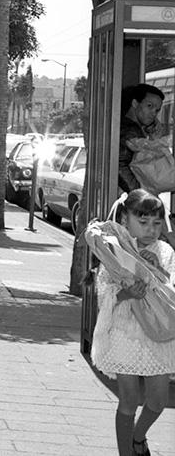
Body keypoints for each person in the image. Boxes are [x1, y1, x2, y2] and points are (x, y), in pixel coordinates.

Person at [91, 189, 175, 456]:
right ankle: (125, 452)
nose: (151, 229)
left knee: (158, 401)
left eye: (157, 223)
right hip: (124, 331)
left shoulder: (164, 250)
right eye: (144, 222)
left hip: (158, 332)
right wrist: (127, 292)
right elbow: (103, 293)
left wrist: (158, 271)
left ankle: (138, 437)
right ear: (125, 219)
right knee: (128, 401)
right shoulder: (115, 248)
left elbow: (171, 290)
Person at [118, 83, 166, 193]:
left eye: (157, 110)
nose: (153, 113)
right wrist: (140, 195)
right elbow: (120, 165)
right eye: (149, 106)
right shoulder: (130, 129)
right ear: (135, 103)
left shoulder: (133, 127)